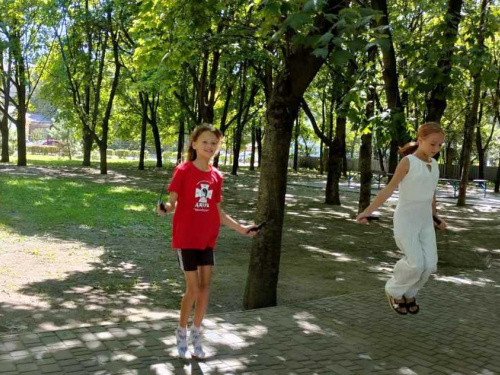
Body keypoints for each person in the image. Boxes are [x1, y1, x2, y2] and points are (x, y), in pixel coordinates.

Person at [157, 124, 258, 359]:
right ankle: (181, 332)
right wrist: (165, 208)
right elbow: (173, 203)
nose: (209, 146)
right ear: (194, 144)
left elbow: (218, 213)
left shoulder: (217, 176)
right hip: (186, 238)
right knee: (192, 290)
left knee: (205, 290)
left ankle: (196, 334)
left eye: (214, 143)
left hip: (207, 239)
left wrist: (243, 229)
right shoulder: (183, 170)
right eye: (205, 142)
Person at [356, 122, 447, 315]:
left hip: (425, 221)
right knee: (416, 263)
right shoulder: (408, 162)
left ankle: (410, 292)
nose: (436, 149)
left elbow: (431, 194)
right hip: (406, 219)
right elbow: (389, 189)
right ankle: (394, 290)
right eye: (432, 144)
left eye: (440, 145)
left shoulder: (435, 164)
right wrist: (367, 211)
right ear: (420, 140)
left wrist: (436, 217)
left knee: (430, 264)